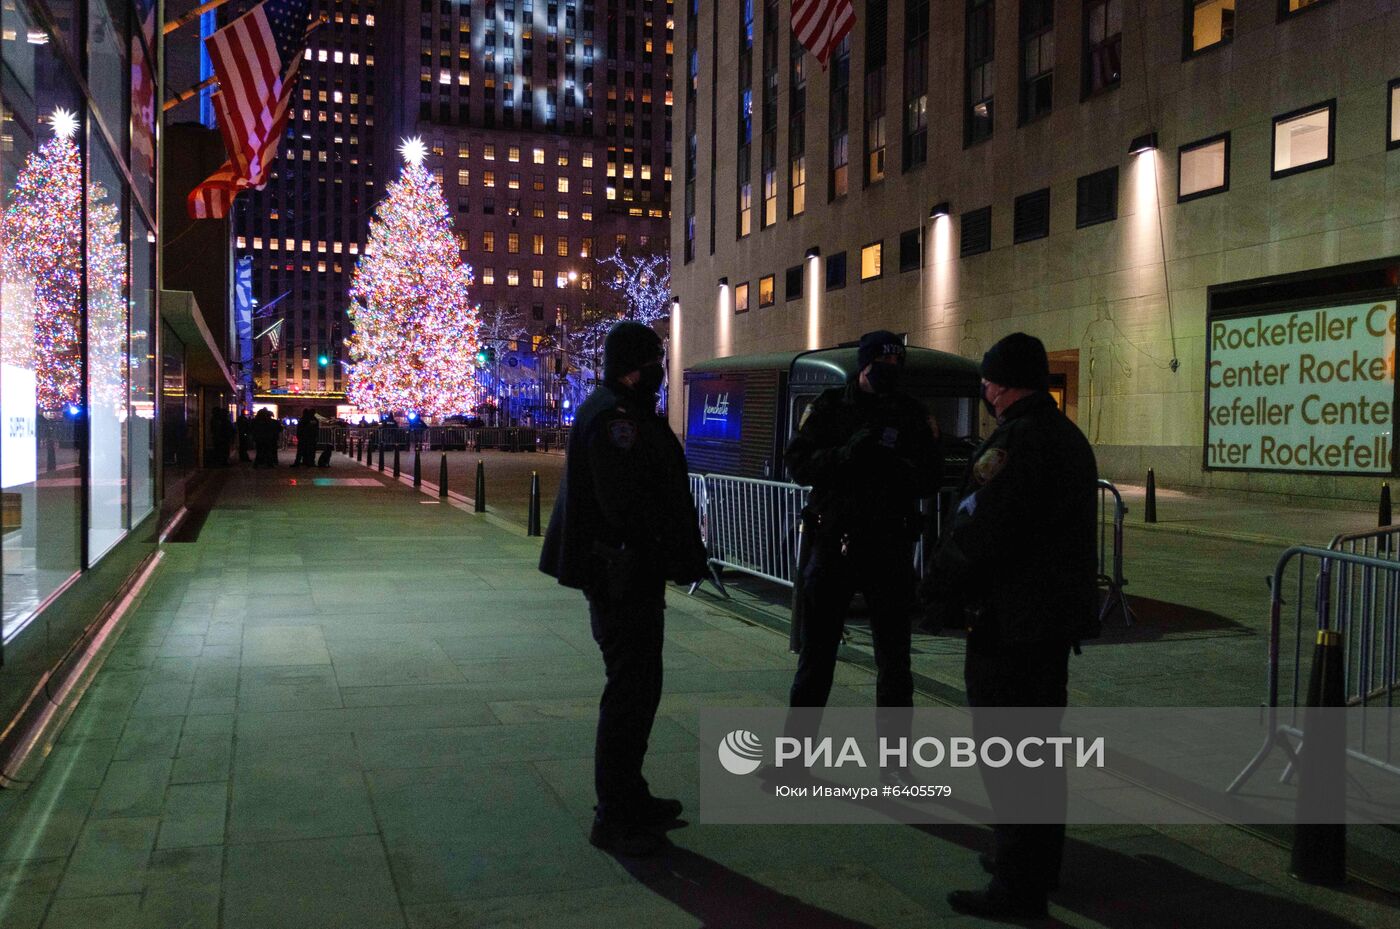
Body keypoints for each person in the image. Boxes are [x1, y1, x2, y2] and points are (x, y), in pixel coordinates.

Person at [921, 332, 1098, 920]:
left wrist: (940, 588)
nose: (985, 389)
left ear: (1004, 382)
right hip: (1048, 624)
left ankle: (1017, 888)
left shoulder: (1016, 443)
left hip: (1009, 623)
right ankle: (1036, 862)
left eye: (989, 379)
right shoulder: (1067, 436)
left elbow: (982, 531)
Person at [539, 321, 708, 857]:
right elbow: (623, 504)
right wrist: (665, 544)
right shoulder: (615, 417)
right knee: (630, 690)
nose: (661, 371)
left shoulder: (618, 410)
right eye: (656, 362)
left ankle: (629, 795)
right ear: (636, 368)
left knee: (639, 687)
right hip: (622, 575)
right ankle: (615, 810)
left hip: (628, 573)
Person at [784, 330, 942, 718]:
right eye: (881, 364)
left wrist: (897, 468)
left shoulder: (910, 412)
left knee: (894, 661)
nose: (889, 371)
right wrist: (844, 455)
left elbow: (931, 475)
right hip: (835, 542)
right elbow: (798, 463)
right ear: (863, 366)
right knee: (817, 657)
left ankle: (894, 763)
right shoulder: (831, 406)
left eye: (896, 364)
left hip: (889, 546)